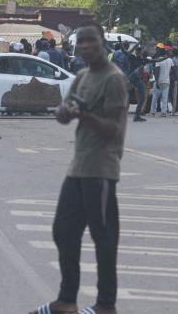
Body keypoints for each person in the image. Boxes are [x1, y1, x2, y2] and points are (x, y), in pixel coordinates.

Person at [29, 23, 128, 314]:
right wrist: (64, 112)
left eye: (91, 41)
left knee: (104, 238)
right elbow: (64, 114)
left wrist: (83, 115)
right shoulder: (82, 76)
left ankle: (106, 305)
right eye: (81, 41)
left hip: (101, 170)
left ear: (103, 42)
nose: (85, 46)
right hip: (78, 168)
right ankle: (67, 300)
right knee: (63, 231)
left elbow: (113, 128)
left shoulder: (114, 79)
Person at [151, 49, 174, 117]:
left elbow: (157, 71)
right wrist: (168, 74)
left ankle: (153, 112)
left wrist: (157, 81)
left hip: (159, 81)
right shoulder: (170, 60)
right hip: (166, 81)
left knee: (155, 97)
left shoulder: (159, 60)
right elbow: (173, 69)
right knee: (165, 97)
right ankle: (163, 112)